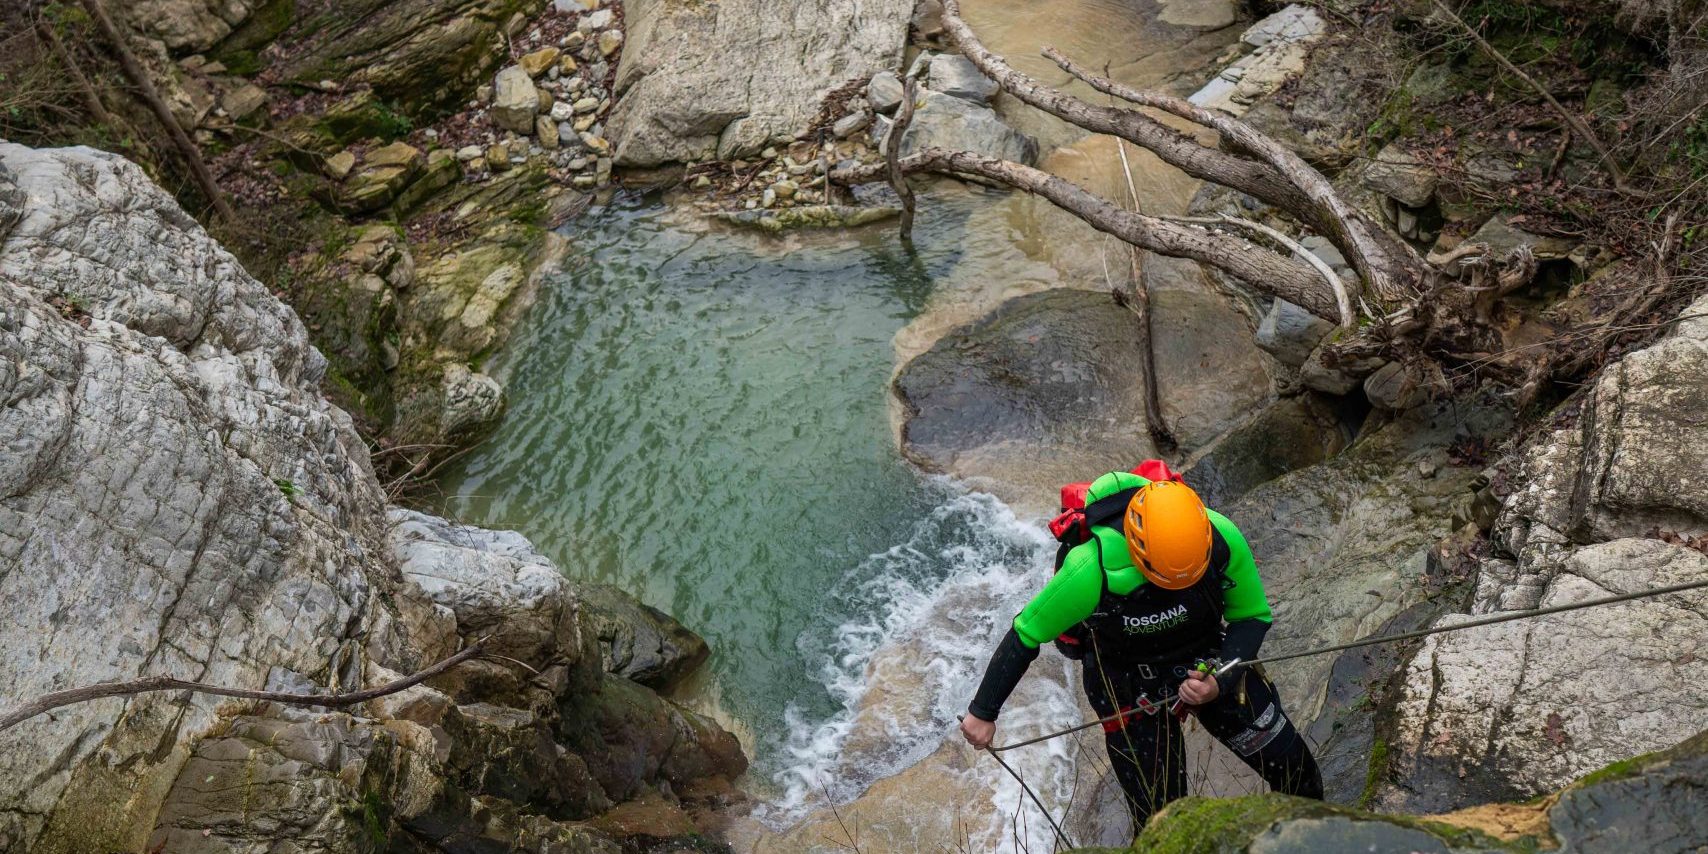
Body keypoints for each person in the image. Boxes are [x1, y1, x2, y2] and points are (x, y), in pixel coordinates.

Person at [959, 469, 1322, 828]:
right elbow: (1026, 633)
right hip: (1127, 683)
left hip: (1207, 658)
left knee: (1296, 772)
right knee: (1162, 821)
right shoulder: (1088, 569)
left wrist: (1220, 680)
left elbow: (1251, 616)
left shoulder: (1220, 534)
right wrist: (983, 711)